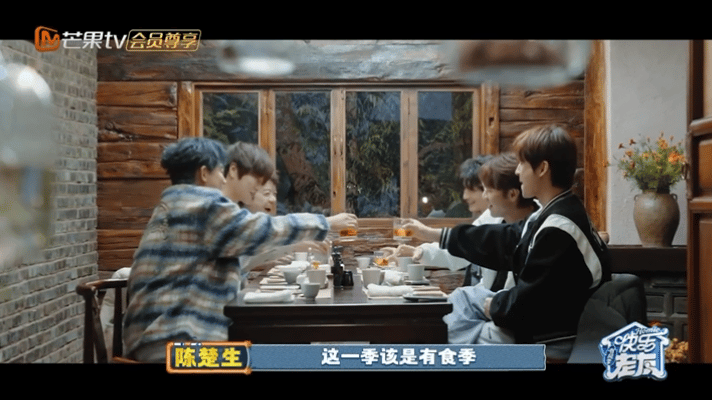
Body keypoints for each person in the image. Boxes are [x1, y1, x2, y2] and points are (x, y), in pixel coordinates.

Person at [123, 137, 356, 362]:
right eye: (219, 172)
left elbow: (236, 250)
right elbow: (260, 229)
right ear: (203, 174)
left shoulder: (168, 209)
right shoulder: (204, 205)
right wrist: (325, 222)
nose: (222, 180)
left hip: (148, 341)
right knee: (290, 357)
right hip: (182, 343)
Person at [403, 124, 611, 349]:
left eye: (522, 163)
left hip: (549, 338)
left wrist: (495, 306)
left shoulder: (558, 227)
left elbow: (531, 301)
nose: (518, 171)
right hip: (539, 322)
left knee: (448, 331)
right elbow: (502, 240)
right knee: (461, 300)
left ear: (542, 168)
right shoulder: (554, 212)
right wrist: (435, 235)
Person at [382, 156, 496, 284]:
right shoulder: (486, 219)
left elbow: (465, 244)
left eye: (471, 189)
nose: (465, 196)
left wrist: (425, 233)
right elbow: (460, 251)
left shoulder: (500, 221)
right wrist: (417, 252)